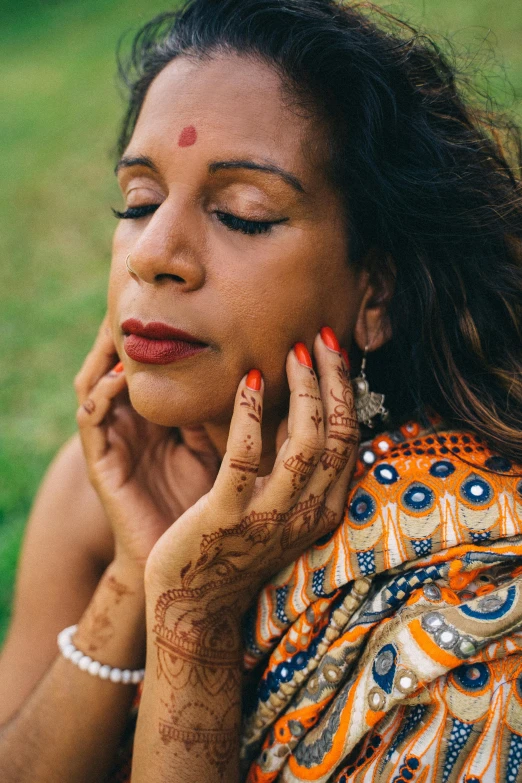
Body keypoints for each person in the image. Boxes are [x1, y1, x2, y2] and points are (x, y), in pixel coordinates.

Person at [1, 0, 522, 780]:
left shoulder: (461, 584)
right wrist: (133, 574)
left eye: (242, 214)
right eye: (138, 202)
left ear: (374, 293)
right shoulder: (112, 474)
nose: (155, 255)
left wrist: (194, 617)